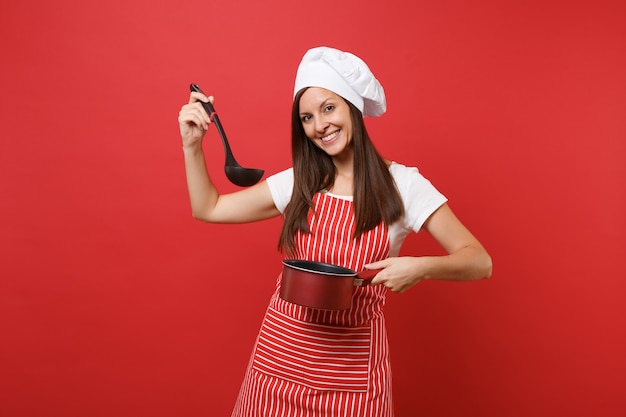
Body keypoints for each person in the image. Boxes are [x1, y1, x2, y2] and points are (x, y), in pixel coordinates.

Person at [178, 46, 492, 417]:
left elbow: (479, 260)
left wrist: (420, 267)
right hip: (278, 367)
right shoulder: (301, 181)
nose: (319, 125)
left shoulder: (403, 185)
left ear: (352, 108)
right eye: (307, 117)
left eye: (329, 108)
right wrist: (192, 145)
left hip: (353, 376)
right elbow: (208, 208)